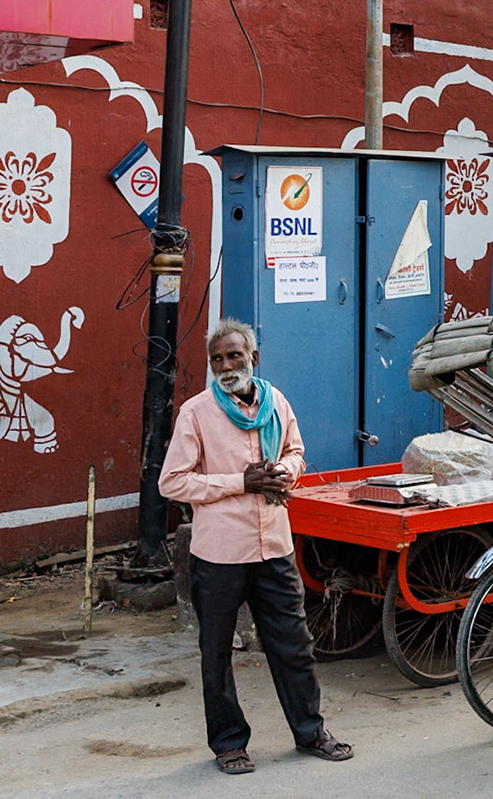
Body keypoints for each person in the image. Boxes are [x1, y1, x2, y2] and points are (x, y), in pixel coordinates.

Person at [158, 320, 353, 776]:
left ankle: (311, 733)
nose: (227, 366)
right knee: (217, 652)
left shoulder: (275, 402)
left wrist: (285, 471)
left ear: (253, 358)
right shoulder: (197, 412)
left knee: (295, 646)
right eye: (217, 359)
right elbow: (173, 481)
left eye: (234, 356)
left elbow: (297, 451)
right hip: (220, 553)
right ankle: (229, 744)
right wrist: (238, 481)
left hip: (274, 547)